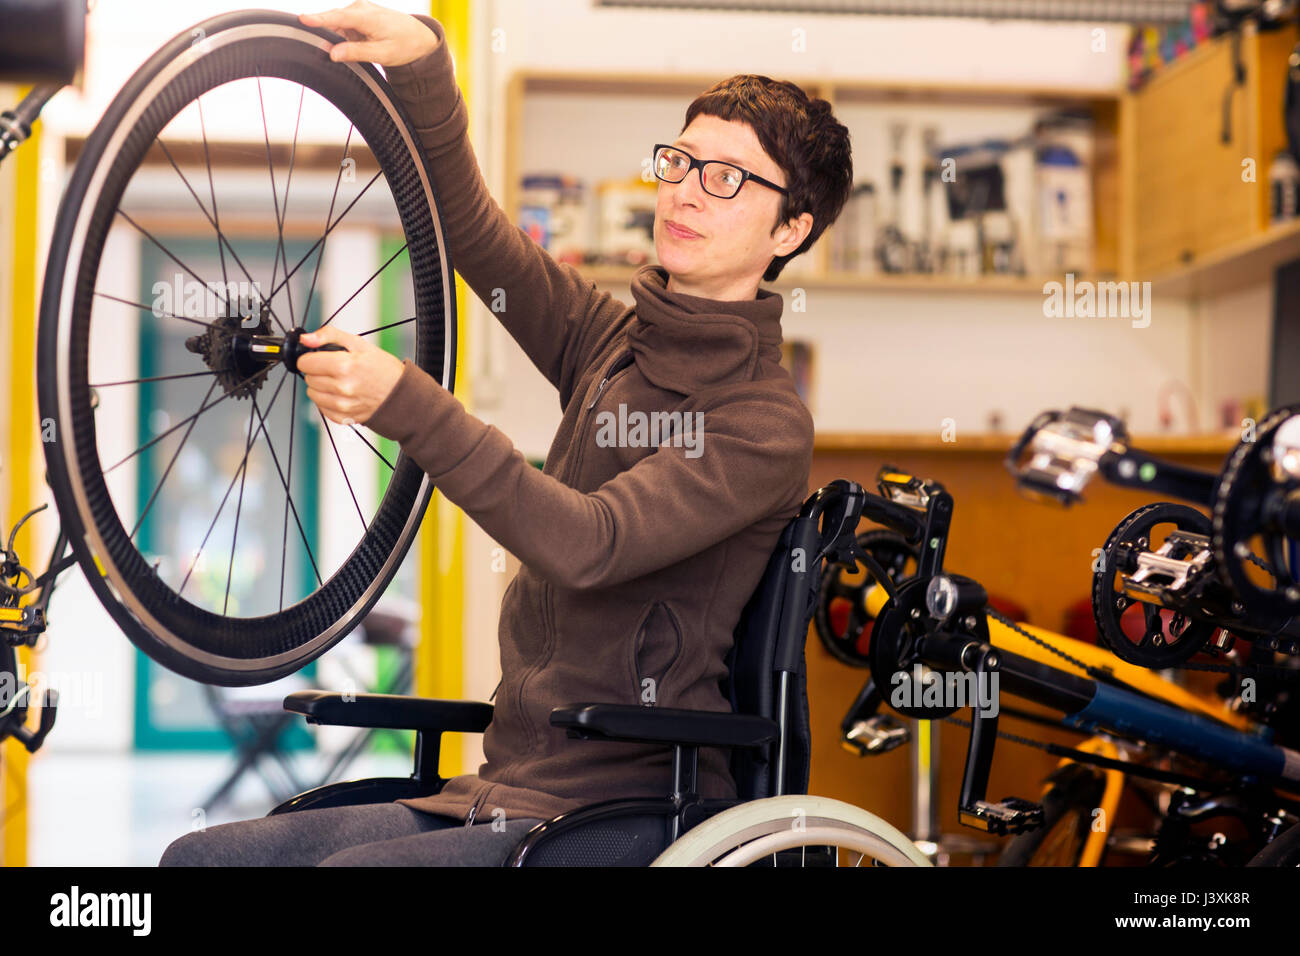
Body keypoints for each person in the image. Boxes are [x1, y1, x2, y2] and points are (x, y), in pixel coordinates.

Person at [160, 0, 852, 866]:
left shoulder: (764, 422)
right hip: (505, 787)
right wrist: (424, 71)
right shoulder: (613, 339)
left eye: (727, 177)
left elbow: (587, 543)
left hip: (638, 804)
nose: (684, 190)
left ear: (792, 230)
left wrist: (407, 402)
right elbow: (480, 245)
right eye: (681, 160)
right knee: (204, 860)